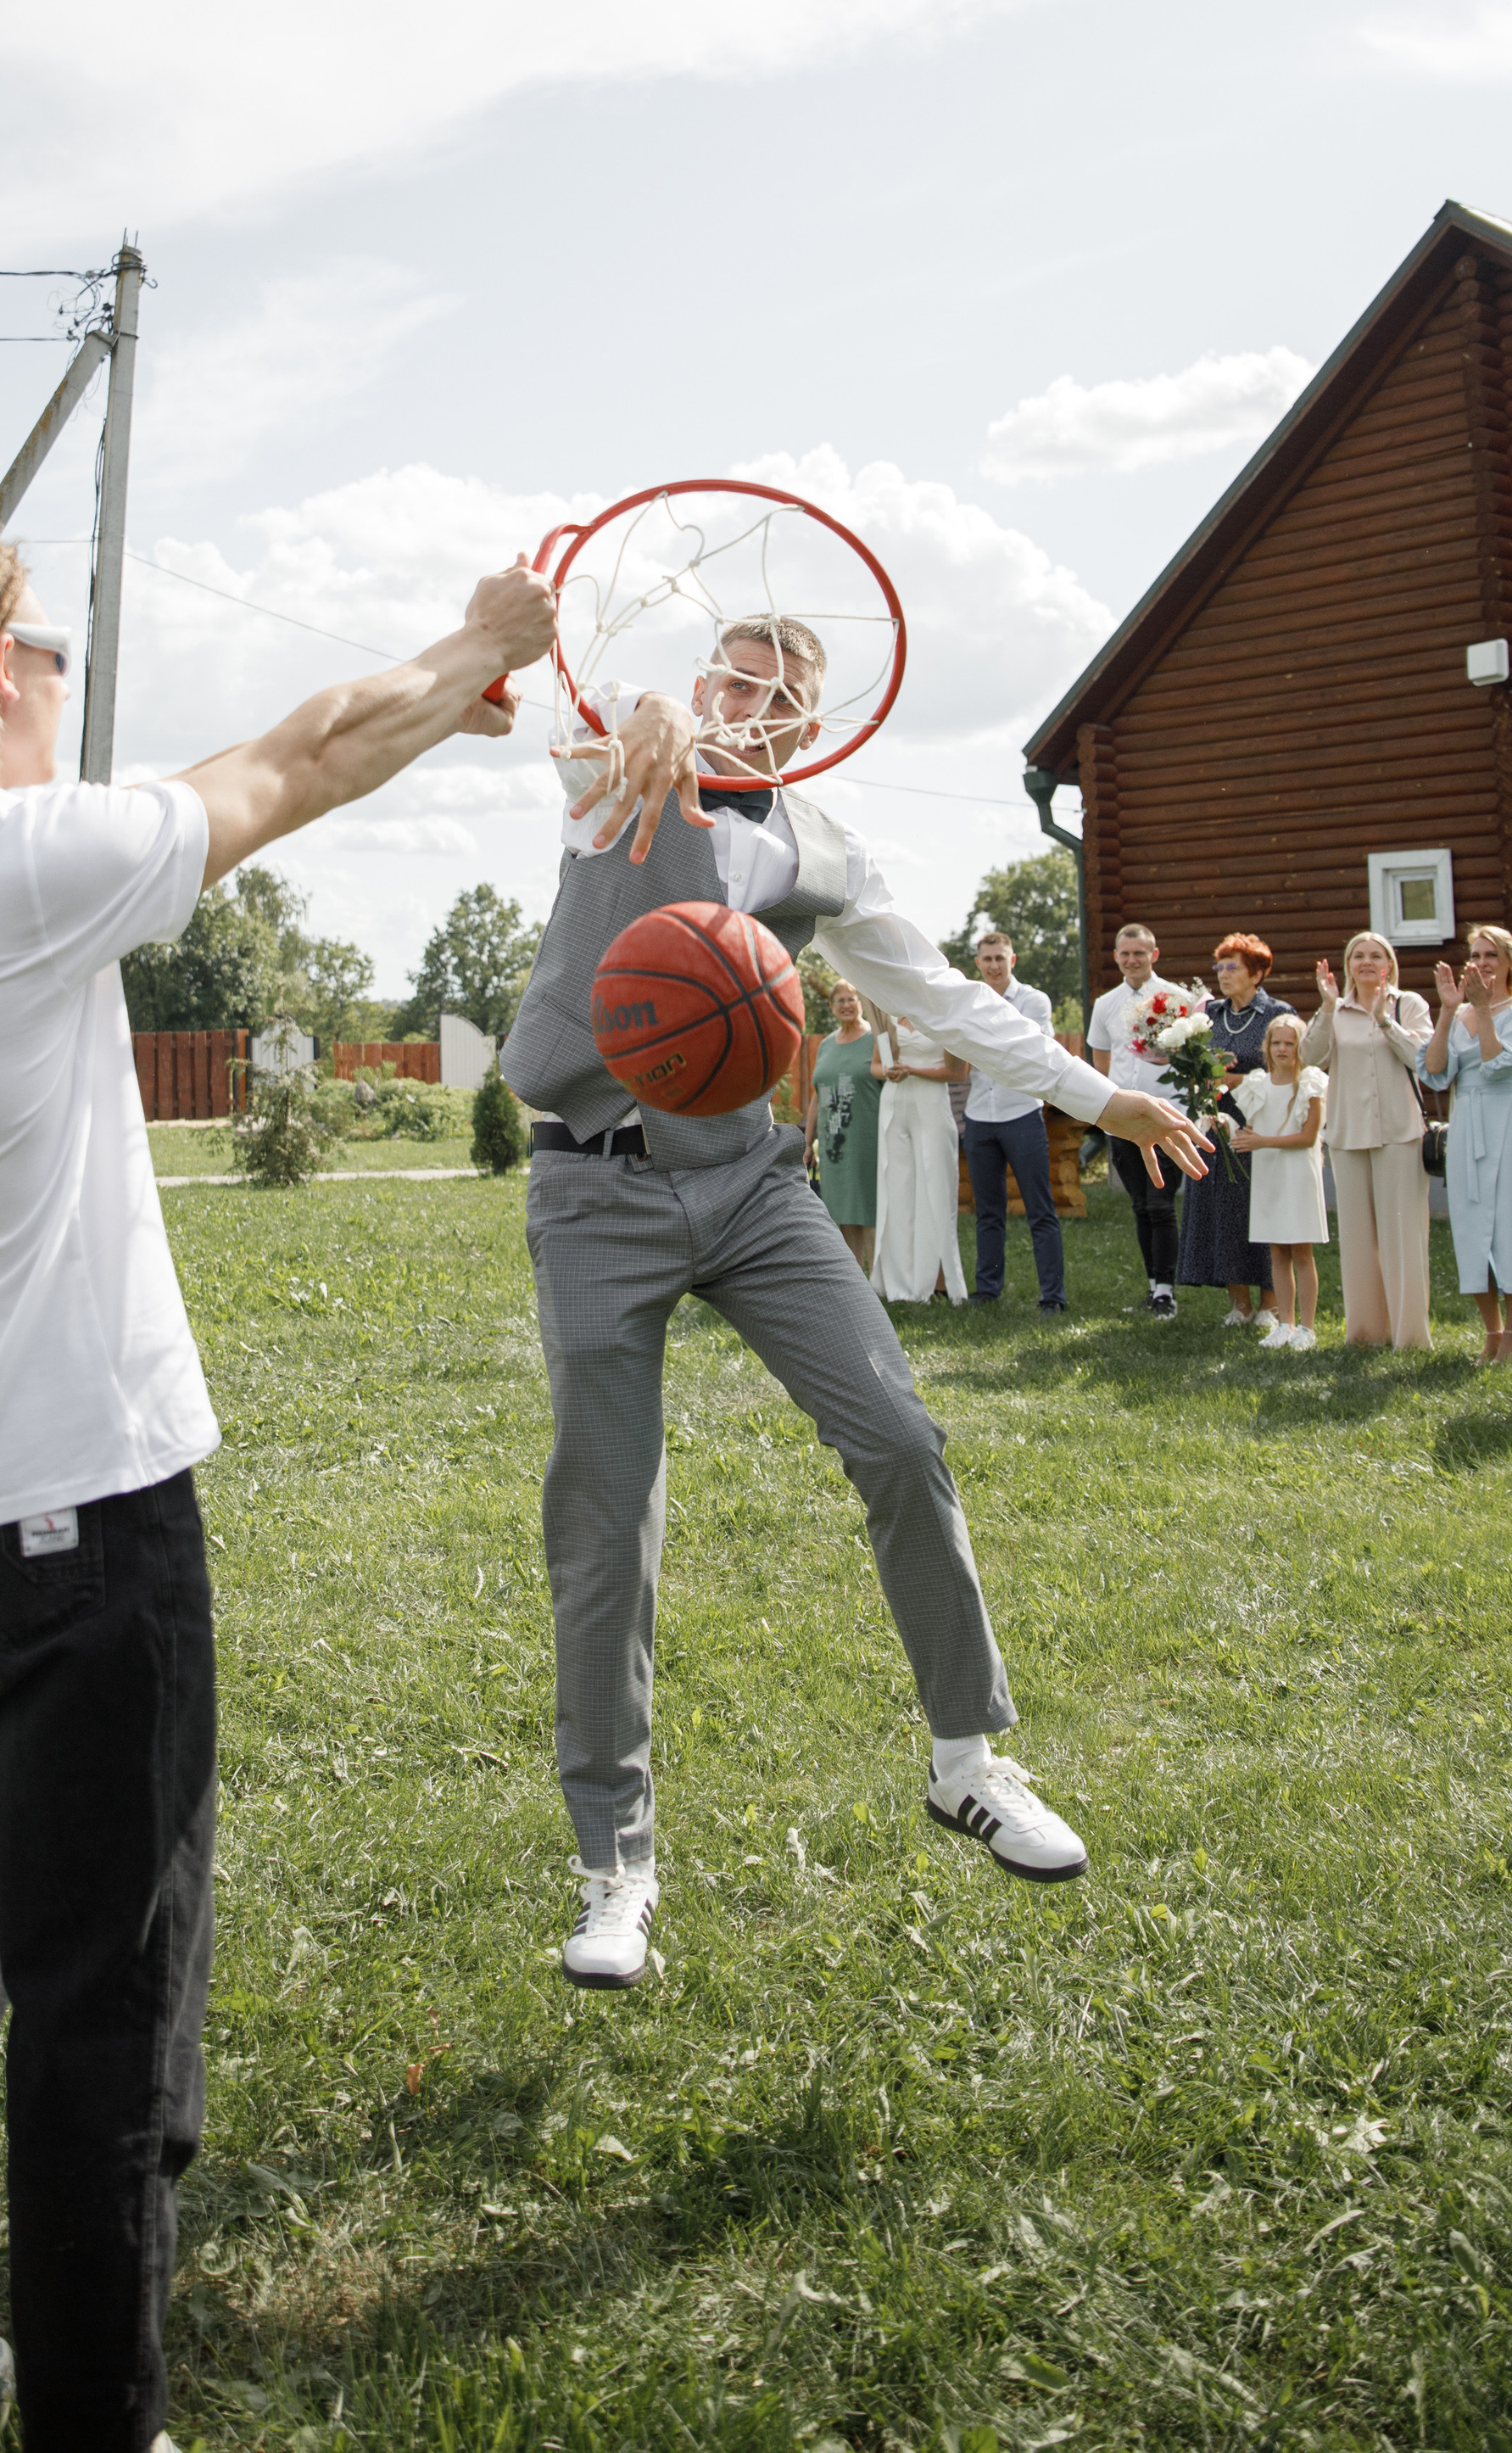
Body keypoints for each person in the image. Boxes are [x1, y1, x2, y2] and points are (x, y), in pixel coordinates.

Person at [0, 528, 553, 2453]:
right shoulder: (7, 864)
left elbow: (296, 749)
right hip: (65, 1507)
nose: (71, 674)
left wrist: (433, 700)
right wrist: (476, 632)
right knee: (98, 2010)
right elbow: (287, 758)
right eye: (51, 644)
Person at [502, 615, 1208, 1986]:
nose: (754, 700)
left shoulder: (826, 853)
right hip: (596, 1193)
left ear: (818, 722)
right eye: (733, 677)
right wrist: (646, 702)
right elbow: (586, 720)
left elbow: (941, 991)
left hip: (752, 1185)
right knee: (607, 1515)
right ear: (702, 684)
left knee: (900, 1437)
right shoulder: (616, 773)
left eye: (785, 692)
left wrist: (1094, 1089)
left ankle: (966, 1757)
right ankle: (616, 1858)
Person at [1302, 932, 1434, 1350]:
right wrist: (1326, 1006)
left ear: (1389, 965)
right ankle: (1364, 1334)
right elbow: (1309, 1055)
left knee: (1403, 1235)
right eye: (1358, 955)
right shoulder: (1335, 1010)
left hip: (1400, 1133)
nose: (1366, 961)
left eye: (1376, 955)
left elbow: (1423, 1060)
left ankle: (1409, 1338)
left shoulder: (1409, 1005)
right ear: (1347, 965)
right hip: (1347, 1134)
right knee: (1357, 1239)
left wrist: (1382, 1019)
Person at [1421, 923, 1512, 1365]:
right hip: (1466, 1120)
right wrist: (1450, 1011)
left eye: (1491, 954)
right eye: (1475, 954)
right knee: (1471, 1225)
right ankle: (1491, 1332)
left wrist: (1483, 1011)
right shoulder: (1460, 1013)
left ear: (1510, 961)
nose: (1482, 962)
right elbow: (1434, 1072)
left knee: (1510, 1221)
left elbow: (1497, 1066)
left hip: (1505, 1119)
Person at [1174, 933, 1289, 1329]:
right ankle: (1240, 1304)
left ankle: (1271, 1306)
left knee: (1260, 1211)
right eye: (1219, 967)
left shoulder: (1277, 1013)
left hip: (1262, 1124)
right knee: (1223, 1212)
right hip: (1215, 1123)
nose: (1223, 974)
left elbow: (1287, 1070)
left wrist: (1231, 1079)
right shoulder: (1208, 1015)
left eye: (1233, 967)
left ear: (1257, 974)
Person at [961, 930, 1067, 1314]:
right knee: (988, 1211)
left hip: (1020, 1112)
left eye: (999, 959)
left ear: (1012, 960)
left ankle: (1052, 1297)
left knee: (1041, 1209)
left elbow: (1023, 1049)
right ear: (978, 963)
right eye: (986, 960)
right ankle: (987, 1290)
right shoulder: (968, 999)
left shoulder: (1034, 1001)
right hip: (979, 1115)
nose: (993, 966)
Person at [1085, 922, 1184, 1316]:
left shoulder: (1176, 999)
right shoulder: (1105, 1004)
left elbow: (1189, 1060)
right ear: (1116, 957)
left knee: (1162, 1205)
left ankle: (1167, 1293)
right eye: (1125, 954)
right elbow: (1102, 1064)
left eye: (1139, 953)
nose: (1132, 960)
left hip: (1166, 1116)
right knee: (1141, 1206)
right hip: (1123, 1120)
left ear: (1154, 955)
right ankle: (1153, 1287)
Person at [1230, 1014, 1326, 1350]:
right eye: (1277, 1042)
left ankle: (1307, 1327)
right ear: (1267, 1046)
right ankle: (1284, 1323)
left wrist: (1261, 1142)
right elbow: (1252, 1130)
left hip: (1299, 1173)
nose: (1283, 1049)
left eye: (1290, 1043)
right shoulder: (1258, 1084)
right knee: (1277, 1251)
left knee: (1301, 1250)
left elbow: (1307, 1137)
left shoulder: (1311, 1084)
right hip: (1269, 1173)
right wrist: (1232, 1132)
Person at [869, 1008, 968, 1304]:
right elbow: (875, 1065)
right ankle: (898, 1283)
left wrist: (913, 1071)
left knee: (936, 1188)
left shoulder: (943, 1018)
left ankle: (937, 1282)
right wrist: (887, 1072)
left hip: (931, 1103)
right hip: (894, 1103)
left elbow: (957, 1072)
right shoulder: (889, 1018)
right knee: (895, 1190)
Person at [804, 980, 881, 1271]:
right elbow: (817, 1095)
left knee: (871, 1209)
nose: (847, 1005)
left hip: (868, 1139)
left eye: (852, 999)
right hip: (834, 1143)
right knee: (845, 1213)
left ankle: (881, 1281)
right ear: (832, 1007)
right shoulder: (825, 1045)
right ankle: (856, 1280)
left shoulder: (876, 1040)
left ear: (861, 1003)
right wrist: (808, 1141)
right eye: (841, 1001)